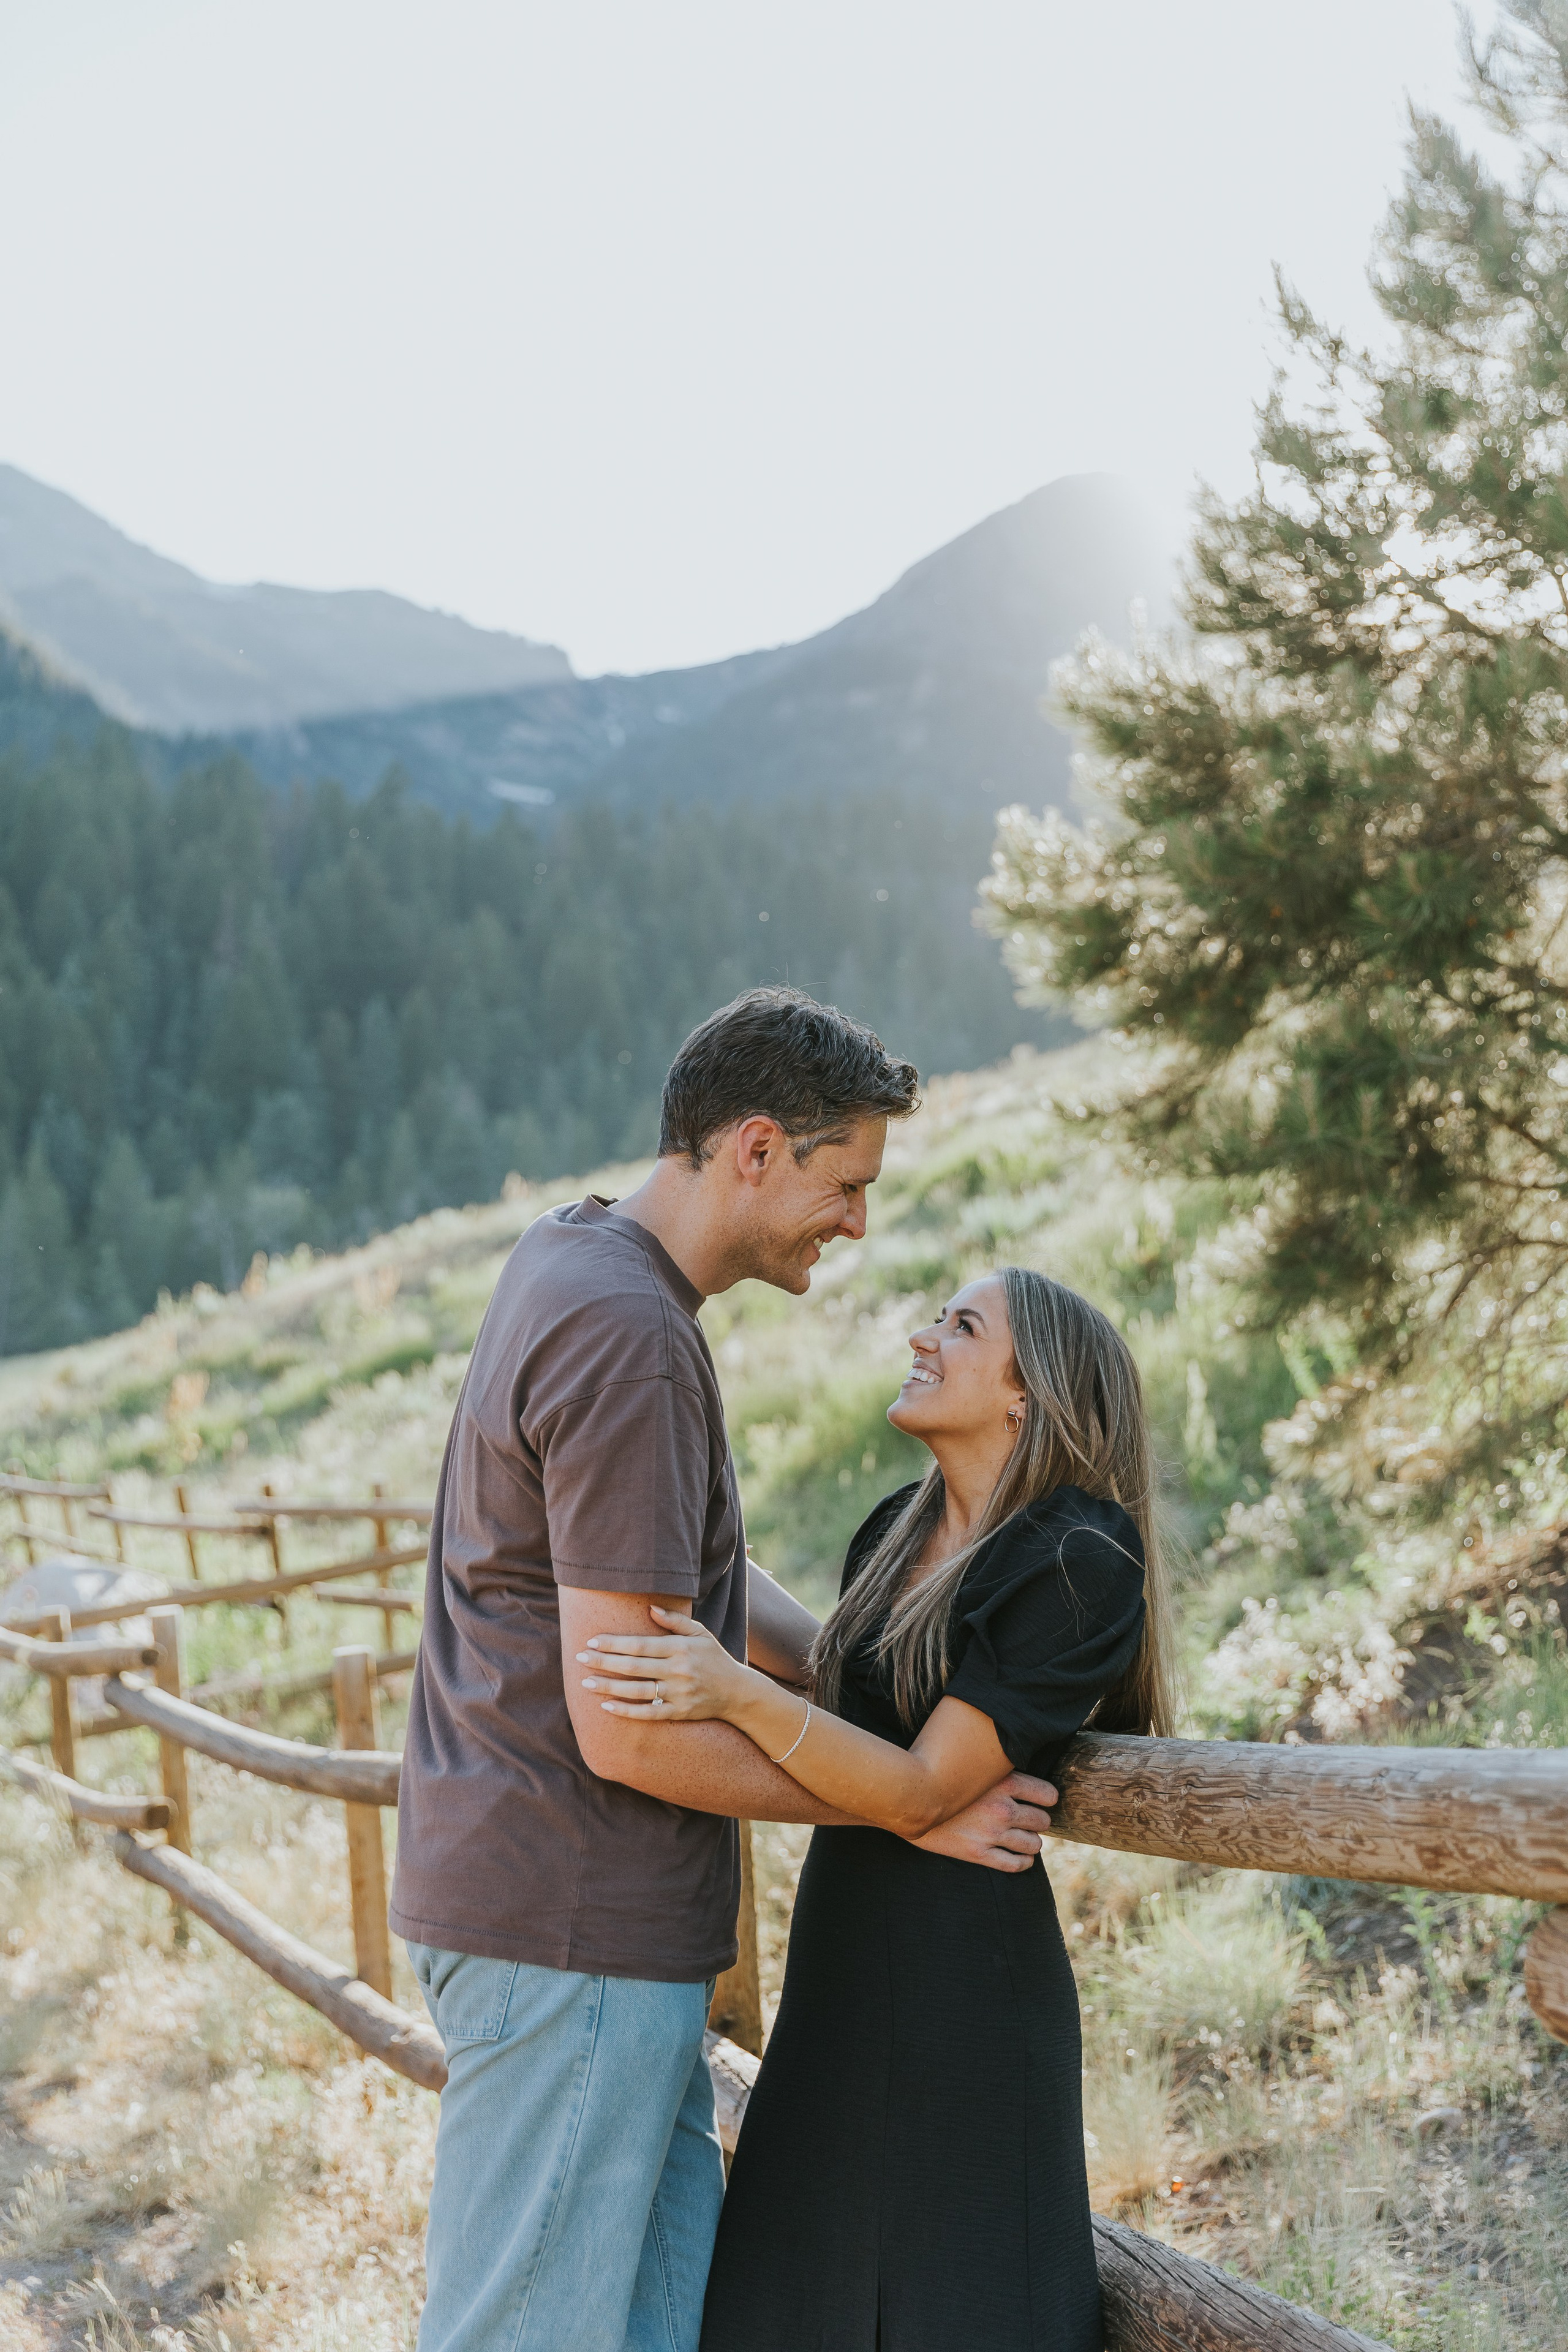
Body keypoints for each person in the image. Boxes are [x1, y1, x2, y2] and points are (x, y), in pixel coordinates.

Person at [389, 989, 1064, 2352]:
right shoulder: (630, 1338)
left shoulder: (574, 1261)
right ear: (756, 1147)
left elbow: (668, 1578)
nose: (858, 1223)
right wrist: (908, 1798)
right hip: (570, 1926)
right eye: (844, 1181)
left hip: (568, 1921)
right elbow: (632, 1731)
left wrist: (846, 1673)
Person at [579, 1264, 1177, 2352]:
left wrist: (735, 1691)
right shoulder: (894, 1532)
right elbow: (855, 1713)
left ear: (1024, 1395)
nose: (922, 1337)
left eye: (960, 1326)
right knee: (780, 2310)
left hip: (968, 2007)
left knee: (962, 2315)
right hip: (840, 1977)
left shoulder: (1080, 1558)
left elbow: (919, 1785)